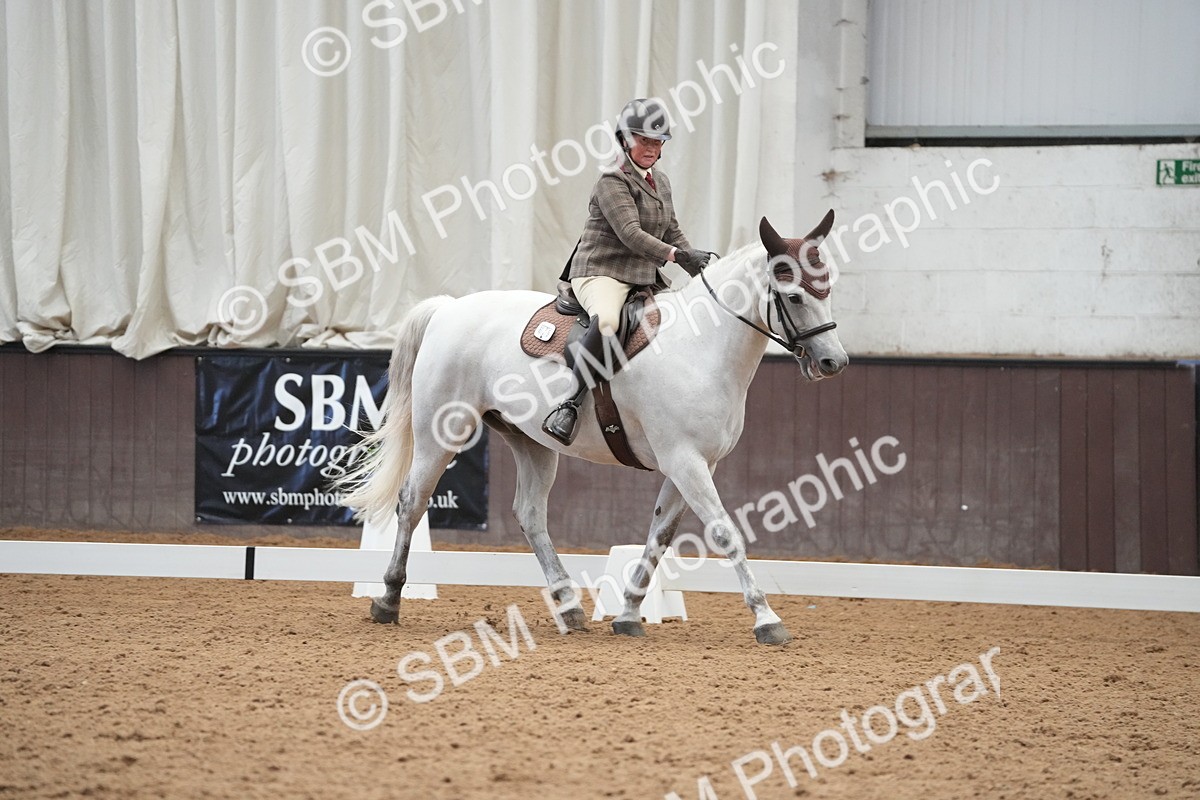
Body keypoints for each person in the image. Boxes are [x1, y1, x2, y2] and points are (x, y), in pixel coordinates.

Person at [542, 98, 712, 446]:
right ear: (624, 140)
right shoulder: (611, 181)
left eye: (656, 141)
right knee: (608, 320)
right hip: (602, 272)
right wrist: (679, 257)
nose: (650, 148)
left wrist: (700, 264)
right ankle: (570, 403)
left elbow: (671, 230)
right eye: (643, 140)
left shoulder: (660, 182)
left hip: (643, 275)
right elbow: (631, 235)